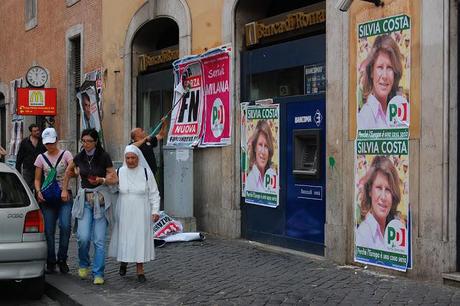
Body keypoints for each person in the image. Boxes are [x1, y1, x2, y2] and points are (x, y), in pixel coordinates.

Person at [62, 128, 118, 285]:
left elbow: (115, 179)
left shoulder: (104, 156)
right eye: (83, 141)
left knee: (99, 240)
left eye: (89, 141)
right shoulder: (79, 157)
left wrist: (102, 180)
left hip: (100, 201)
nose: (86, 144)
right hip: (85, 201)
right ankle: (83, 262)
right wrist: (64, 190)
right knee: (83, 237)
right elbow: (68, 172)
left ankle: (98, 273)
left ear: (96, 142)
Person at [109, 145, 160, 283]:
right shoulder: (119, 171)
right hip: (124, 209)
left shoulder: (145, 172)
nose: (130, 160)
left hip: (141, 210)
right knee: (125, 237)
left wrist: (155, 210)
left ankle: (140, 269)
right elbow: (112, 188)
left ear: (138, 158)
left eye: (133, 158)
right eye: (128, 158)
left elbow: (154, 193)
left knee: (139, 239)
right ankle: (124, 261)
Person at [33, 128, 74, 274]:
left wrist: (71, 174)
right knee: (49, 230)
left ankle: (62, 259)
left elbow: (73, 172)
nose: (49, 146)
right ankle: (51, 261)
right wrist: (38, 192)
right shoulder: (40, 158)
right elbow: (37, 179)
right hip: (48, 198)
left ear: (57, 140)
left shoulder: (66, 154)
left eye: (51, 142)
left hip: (65, 196)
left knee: (65, 226)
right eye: (46, 143)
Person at [358, 34, 404, 129]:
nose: (384, 76)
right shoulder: (365, 117)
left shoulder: (398, 110)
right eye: (380, 67)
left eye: (390, 68)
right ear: (371, 72)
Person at [355, 156, 402, 250]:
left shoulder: (396, 227)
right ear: (369, 191)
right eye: (379, 188)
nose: (383, 197)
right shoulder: (363, 235)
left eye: (388, 189)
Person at [245, 120, 276, 193]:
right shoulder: (251, 180)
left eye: (266, 146)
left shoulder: (271, 174)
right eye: (260, 144)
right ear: (255, 147)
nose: (263, 152)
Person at [16, 123, 46, 190]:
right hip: (28, 169)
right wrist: (18, 170)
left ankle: (37, 200)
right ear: (31, 132)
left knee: (40, 188)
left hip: (40, 168)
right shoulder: (25, 142)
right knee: (27, 188)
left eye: (38, 130)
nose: (37, 132)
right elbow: (20, 156)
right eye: (35, 131)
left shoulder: (43, 141)